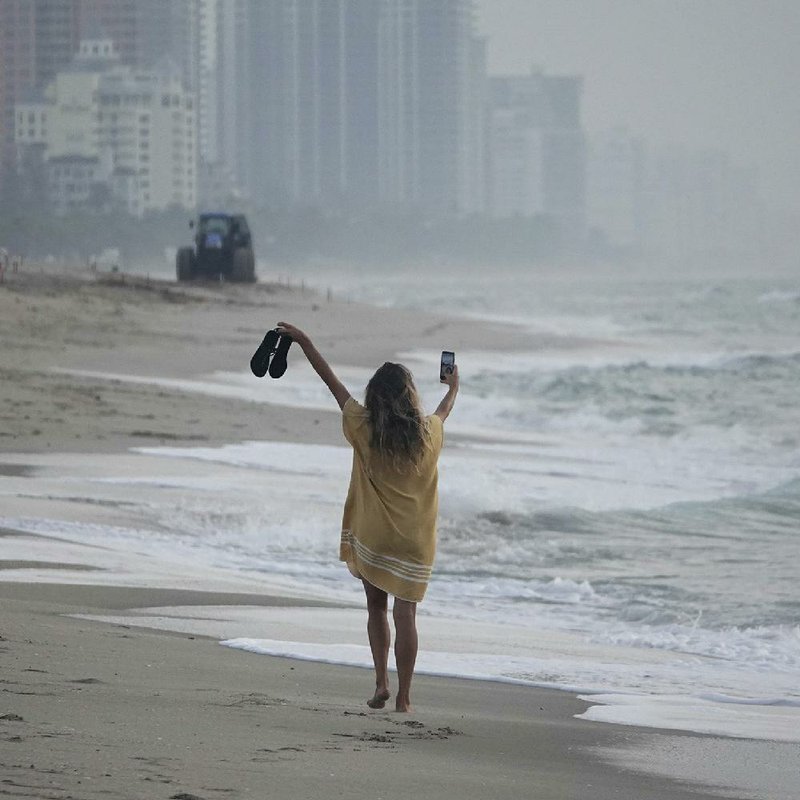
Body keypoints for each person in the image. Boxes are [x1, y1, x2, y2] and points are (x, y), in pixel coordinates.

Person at [275, 322, 458, 712]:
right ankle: (405, 699)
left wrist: (304, 341)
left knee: (376, 606)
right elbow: (443, 411)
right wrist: (453, 387)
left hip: (375, 537)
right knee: (405, 612)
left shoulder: (363, 426)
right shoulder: (428, 434)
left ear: (375, 396)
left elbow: (332, 383)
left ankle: (381, 683)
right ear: (410, 396)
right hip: (415, 541)